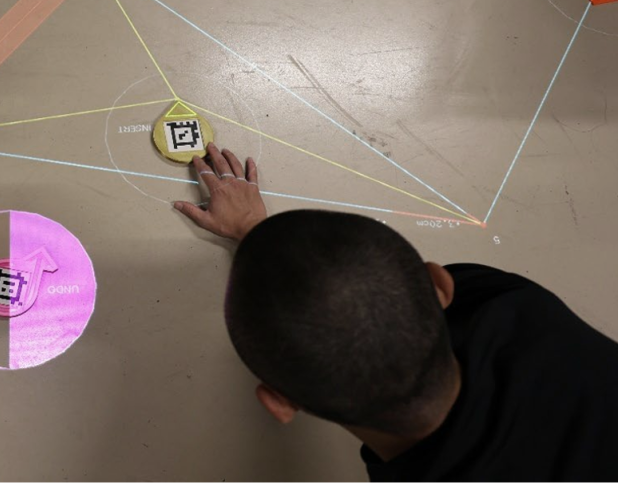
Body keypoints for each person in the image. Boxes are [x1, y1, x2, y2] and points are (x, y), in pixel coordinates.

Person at [173, 143, 618, 482]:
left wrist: (252, 230)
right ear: (441, 285)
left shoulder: (511, 306)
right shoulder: (511, 308)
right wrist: (254, 229)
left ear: (281, 404)